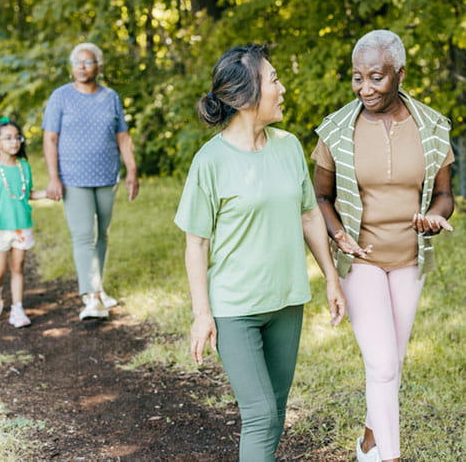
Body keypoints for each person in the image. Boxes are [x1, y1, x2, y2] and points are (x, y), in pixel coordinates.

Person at [174, 44, 346, 462]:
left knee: (277, 410)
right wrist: (202, 314)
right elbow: (196, 242)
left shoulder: (287, 147)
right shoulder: (210, 161)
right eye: (274, 80)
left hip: (287, 299)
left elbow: (308, 216)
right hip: (236, 308)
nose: (282, 88)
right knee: (260, 413)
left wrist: (332, 279)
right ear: (247, 95)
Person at [312, 30, 455, 462]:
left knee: (392, 360)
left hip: (411, 258)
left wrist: (436, 218)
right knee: (383, 365)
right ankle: (390, 457)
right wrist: (340, 236)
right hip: (363, 260)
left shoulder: (432, 126)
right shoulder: (337, 130)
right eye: (357, 78)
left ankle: (371, 439)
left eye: (376, 77)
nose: (365, 88)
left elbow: (446, 195)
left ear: (400, 74)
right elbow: (319, 197)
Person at [42, 42, 139, 320]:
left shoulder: (111, 97)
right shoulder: (60, 97)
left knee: (102, 235)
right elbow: (50, 138)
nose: (82, 68)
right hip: (73, 177)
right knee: (84, 235)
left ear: (99, 65)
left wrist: (132, 170)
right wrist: (53, 178)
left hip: (107, 176)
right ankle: (92, 297)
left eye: (88, 62)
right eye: (77, 63)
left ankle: (97, 287)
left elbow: (123, 136)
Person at [0, 118, 48, 327]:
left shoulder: (24, 166)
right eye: (8, 138)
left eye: (17, 137)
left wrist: (48, 194)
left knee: (18, 268)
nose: (14, 142)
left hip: (22, 226)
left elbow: (27, 193)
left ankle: (18, 309)